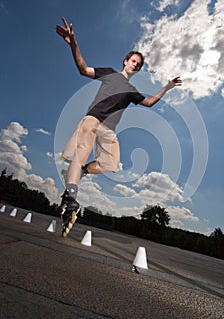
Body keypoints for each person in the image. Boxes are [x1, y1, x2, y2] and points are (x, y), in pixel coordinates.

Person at [56, 17, 182, 237]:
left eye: (138, 64)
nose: (135, 64)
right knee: (81, 153)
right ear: (125, 61)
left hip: (109, 130)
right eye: (133, 61)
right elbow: (83, 69)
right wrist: (73, 43)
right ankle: (72, 198)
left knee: (111, 163)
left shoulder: (132, 91)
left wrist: (167, 87)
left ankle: (81, 172)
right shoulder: (109, 73)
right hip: (93, 119)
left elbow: (150, 103)